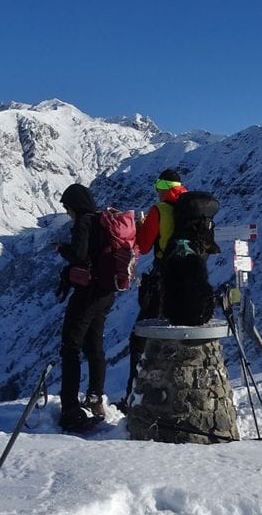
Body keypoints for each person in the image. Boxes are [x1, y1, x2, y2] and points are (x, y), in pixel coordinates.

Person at [121, 169, 187, 404]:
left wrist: (141, 226)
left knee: (140, 336)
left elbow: (145, 246)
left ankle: (134, 398)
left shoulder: (160, 210)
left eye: (159, 187)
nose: (157, 192)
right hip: (189, 283)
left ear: (165, 188)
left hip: (164, 280)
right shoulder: (193, 209)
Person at [56, 183, 115, 431]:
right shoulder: (102, 221)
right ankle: (95, 397)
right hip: (106, 292)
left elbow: (80, 256)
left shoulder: (83, 222)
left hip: (88, 293)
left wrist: (64, 250)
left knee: (70, 346)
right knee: (94, 346)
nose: (68, 213)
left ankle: (69, 406)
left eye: (67, 208)